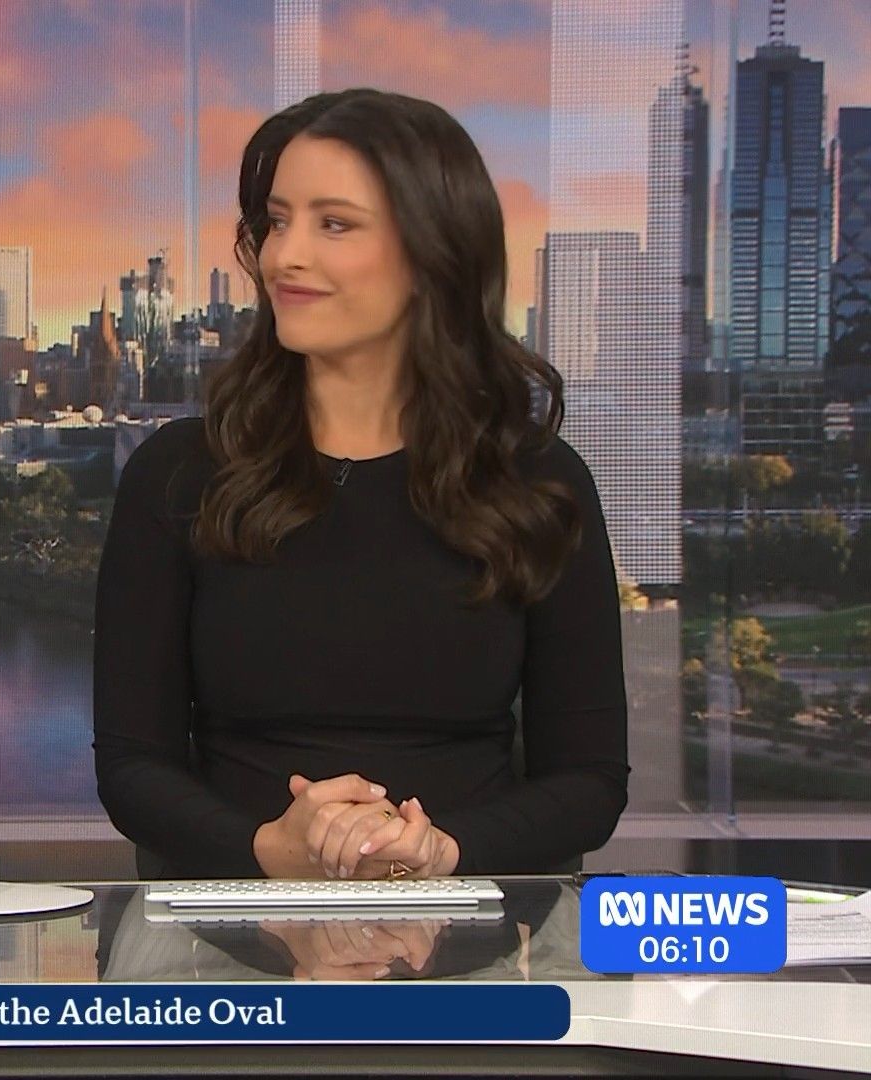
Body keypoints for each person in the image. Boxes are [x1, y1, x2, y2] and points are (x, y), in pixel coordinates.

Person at [92, 89, 628, 882]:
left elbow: (588, 781)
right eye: (277, 221)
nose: (284, 256)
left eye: (333, 224)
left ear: (431, 253)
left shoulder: (537, 483)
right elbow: (133, 767)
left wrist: (442, 852)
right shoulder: (178, 475)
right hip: (227, 929)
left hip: (467, 926)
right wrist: (270, 851)